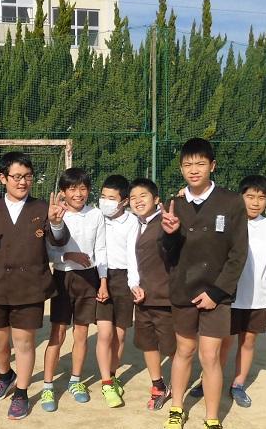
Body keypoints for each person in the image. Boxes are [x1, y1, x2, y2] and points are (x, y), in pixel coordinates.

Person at [0, 151, 68, 420]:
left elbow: (58, 240)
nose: (22, 182)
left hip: (30, 287)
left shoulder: (41, 208)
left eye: (27, 177)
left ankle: (21, 392)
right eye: (17, 176)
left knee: (24, 343)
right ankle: (6, 375)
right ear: (3, 178)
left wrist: (56, 224)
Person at [159, 137, 248, 429]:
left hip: (216, 293)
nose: (193, 169)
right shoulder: (175, 203)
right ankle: (176, 408)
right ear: (181, 168)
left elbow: (238, 254)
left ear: (212, 165)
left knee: (210, 356)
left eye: (200, 163)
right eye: (187, 164)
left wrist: (217, 291)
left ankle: (212, 419)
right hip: (183, 289)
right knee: (183, 351)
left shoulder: (231, 202)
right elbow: (168, 254)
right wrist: (169, 235)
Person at [190, 175, 266, 407]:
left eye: (261, 198)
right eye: (250, 196)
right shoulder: (227, 220)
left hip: (256, 298)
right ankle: (207, 380)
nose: (255, 202)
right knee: (222, 343)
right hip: (227, 296)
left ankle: (238, 384)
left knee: (247, 342)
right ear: (240, 197)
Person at [41, 168, 122, 411]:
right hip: (63, 277)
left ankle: (75, 381)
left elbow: (101, 250)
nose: (78, 194)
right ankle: (47, 386)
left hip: (89, 278)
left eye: (83, 188)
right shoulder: (57, 214)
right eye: (72, 189)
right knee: (58, 333)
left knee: (81, 333)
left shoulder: (96, 215)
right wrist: (68, 255)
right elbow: (49, 251)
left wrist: (103, 281)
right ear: (64, 192)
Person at [125, 178, 176, 410]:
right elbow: (132, 260)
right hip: (142, 297)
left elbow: (173, 248)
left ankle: (177, 386)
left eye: (143, 196)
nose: (137, 201)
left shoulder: (165, 222)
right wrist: (133, 285)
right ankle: (158, 385)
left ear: (156, 199)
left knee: (173, 348)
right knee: (148, 344)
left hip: (165, 298)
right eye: (133, 198)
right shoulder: (134, 224)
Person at [96, 174, 139, 398]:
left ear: (124, 201)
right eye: (103, 196)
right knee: (105, 333)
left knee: (119, 336)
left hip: (124, 279)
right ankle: (106, 383)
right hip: (101, 278)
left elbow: (133, 256)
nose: (105, 202)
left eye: (111, 198)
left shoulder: (132, 222)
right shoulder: (96, 217)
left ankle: (112, 375)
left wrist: (134, 284)